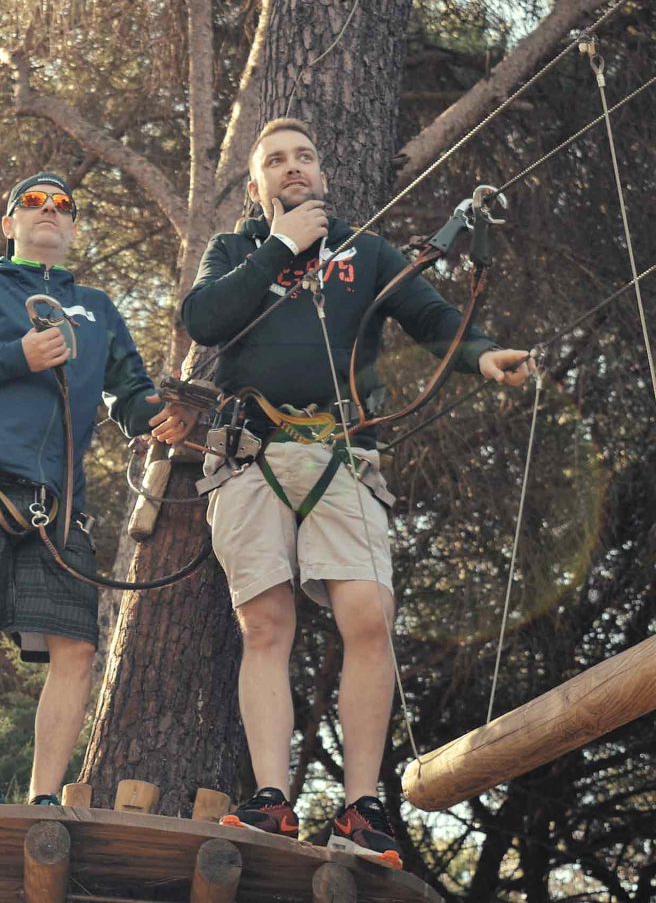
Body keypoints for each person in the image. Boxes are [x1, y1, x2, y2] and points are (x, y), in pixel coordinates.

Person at [180, 119, 532, 868]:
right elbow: (204, 320)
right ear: (256, 186)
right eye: (276, 162)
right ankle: (271, 801)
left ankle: (362, 808)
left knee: (368, 615)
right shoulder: (237, 251)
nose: (294, 169)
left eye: (305, 157)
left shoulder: (367, 251)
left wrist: (480, 355)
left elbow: (432, 316)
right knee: (265, 624)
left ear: (325, 174)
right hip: (251, 456)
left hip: (342, 453)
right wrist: (281, 249)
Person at [0, 171, 190, 806]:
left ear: (72, 228)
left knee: (78, 647)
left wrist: (166, 413)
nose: (48, 211)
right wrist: (17, 356)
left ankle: (43, 800)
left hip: (58, 500)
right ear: (8, 224)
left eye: (62, 206)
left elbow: (130, 395)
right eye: (31, 203)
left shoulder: (96, 307)